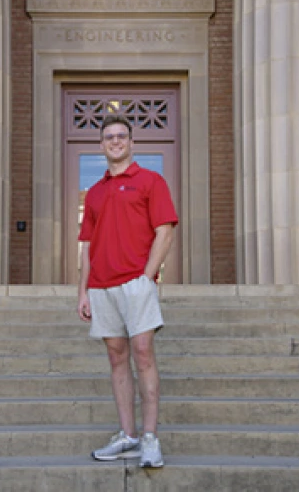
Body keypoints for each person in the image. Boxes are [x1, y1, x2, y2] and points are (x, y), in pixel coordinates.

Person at [77, 114, 178, 468]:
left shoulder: (151, 181)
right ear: (102, 145)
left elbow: (165, 231)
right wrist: (83, 291)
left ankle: (149, 439)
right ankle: (128, 435)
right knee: (116, 358)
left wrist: (147, 277)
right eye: (109, 137)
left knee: (143, 353)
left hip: (136, 281)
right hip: (101, 287)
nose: (115, 141)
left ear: (132, 142)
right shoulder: (95, 192)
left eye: (121, 136)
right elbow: (88, 244)